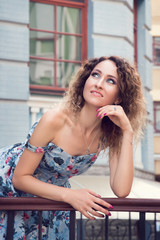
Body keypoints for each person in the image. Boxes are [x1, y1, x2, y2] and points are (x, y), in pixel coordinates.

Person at [0, 56, 146, 239]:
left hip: (51, 198)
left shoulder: (110, 134)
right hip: (7, 187)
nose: (99, 84)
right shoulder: (55, 120)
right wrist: (70, 195)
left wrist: (127, 132)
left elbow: (121, 190)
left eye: (110, 80)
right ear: (85, 81)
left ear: (119, 97)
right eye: (95, 75)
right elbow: (20, 178)